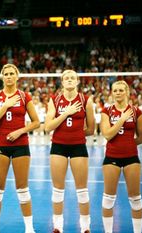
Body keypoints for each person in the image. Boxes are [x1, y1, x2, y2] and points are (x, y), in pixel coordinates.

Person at [0, 64, 40, 233]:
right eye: (6, 74)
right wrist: (5, 106)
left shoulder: (24, 96)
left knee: (22, 187)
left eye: (11, 73)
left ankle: (29, 229)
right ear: (2, 77)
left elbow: (36, 122)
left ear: (17, 76)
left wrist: (20, 131)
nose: (9, 76)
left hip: (20, 145)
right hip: (0, 144)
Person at [44, 69, 95, 233]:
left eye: (73, 78)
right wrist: (66, 113)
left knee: (82, 189)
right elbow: (47, 127)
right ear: (62, 81)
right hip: (58, 146)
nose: (70, 80)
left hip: (78, 146)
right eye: (67, 78)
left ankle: (85, 227)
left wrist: (76, 134)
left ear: (78, 81)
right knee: (58, 189)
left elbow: (91, 129)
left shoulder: (86, 100)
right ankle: (58, 226)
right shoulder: (54, 100)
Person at [100, 80, 142, 233]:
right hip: (111, 157)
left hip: (131, 157)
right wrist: (122, 119)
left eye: (121, 90)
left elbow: (141, 138)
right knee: (108, 198)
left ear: (127, 92)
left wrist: (127, 145)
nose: (118, 93)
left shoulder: (137, 111)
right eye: (115, 90)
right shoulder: (106, 111)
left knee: (135, 199)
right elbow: (107, 134)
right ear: (112, 93)